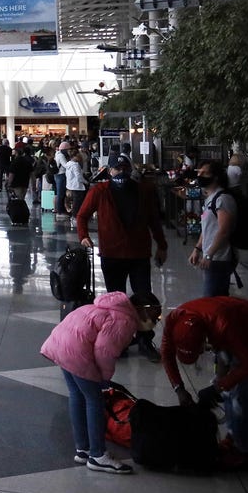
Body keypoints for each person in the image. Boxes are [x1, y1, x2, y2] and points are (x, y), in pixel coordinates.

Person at [39, 291, 153, 475]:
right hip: (77, 352)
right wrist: (104, 379)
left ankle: (83, 449)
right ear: (142, 311)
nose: (155, 320)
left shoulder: (106, 307)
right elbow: (104, 351)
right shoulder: (125, 320)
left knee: (77, 395)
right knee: (95, 401)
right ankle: (98, 455)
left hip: (60, 345)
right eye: (155, 315)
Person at [161, 296, 248, 471]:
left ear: (204, 341)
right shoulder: (173, 320)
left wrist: (218, 387)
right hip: (228, 324)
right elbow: (166, 355)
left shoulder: (224, 327)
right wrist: (179, 389)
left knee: (240, 393)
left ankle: (243, 455)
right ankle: (232, 437)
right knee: (227, 388)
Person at [76, 157, 167, 361]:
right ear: (109, 170)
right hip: (111, 254)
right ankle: (120, 340)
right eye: (117, 168)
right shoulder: (100, 191)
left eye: (125, 167)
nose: (121, 172)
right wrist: (83, 236)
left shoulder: (144, 190)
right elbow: (82, 215)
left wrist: (162, 246)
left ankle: (145, 339)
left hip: (139, 254)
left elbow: (154, 220)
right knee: (116, 301)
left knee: (144, 298)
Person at [190, 161, 236, 297]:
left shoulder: (223, 199)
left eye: (205, 173)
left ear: (215, 177)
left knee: (213, 300)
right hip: (211, 257)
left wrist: (210, 254)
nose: (200, 175)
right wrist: (197, 249)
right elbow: (207, 227)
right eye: (199, 172)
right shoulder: (210, 198)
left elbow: (224, 231)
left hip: (219, 259)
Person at [63, 150, 88, 218]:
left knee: (74, 203)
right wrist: (86, 182)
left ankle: (74, 216)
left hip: (71, 186)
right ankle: (76, 217)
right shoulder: (75, 165)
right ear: (75, 156)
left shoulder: (68, 164)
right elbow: (79, 177)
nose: (80, 156)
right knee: (77, 203)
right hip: (77, 187)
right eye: (78, 155)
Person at [54, 142, 71, 217]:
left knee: (61, 194)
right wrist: (73, 163)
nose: (68, 151)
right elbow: (66, 165)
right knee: (61, 194)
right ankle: (60, 212)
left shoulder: (58, 154)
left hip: (59, 175)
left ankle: (61, 211)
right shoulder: (61, 156)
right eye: (68, 150)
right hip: (61, 175)